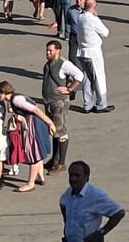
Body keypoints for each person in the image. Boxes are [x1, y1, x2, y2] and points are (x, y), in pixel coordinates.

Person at [42, 39, 84, 173]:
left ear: (58, 51)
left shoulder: (64, 64)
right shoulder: (48, 64)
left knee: (61, 132)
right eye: (47, 50)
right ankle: (54, 159)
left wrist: (70, 89)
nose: (48, 52)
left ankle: (61, 163)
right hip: (49, 101)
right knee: (54, 131)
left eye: (50, 50)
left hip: (59, 102)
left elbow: (80, 75)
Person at [58, 161, 124, 242]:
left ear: (86, 177)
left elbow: (119, 213)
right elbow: (63, 204)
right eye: (71, 175)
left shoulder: (95, 195)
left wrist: (101, 233)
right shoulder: (68, 193)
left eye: (77, 175)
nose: (73, 178)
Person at [73, 0, 114, 110]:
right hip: (93, 53)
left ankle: (87, 104)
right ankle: (101, 104)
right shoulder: (92, 19)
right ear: (93, 7)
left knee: (87, 79)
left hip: (81, 52)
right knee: (98, 78)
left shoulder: (80, 17)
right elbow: (105, 32)